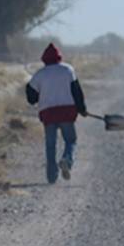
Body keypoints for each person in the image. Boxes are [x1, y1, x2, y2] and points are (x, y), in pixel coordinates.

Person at [26, 42, 87, 184]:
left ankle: (52, 176)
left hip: (48, 113)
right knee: (70, 140)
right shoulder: (68, 70)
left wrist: (38, 97)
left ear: (44, 59)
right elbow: (77, 92)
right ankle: (67, 159)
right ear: (59, 57)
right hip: (67, 111)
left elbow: (30, 96)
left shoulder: (40, 74)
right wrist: (82, 109)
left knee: (50, 144)